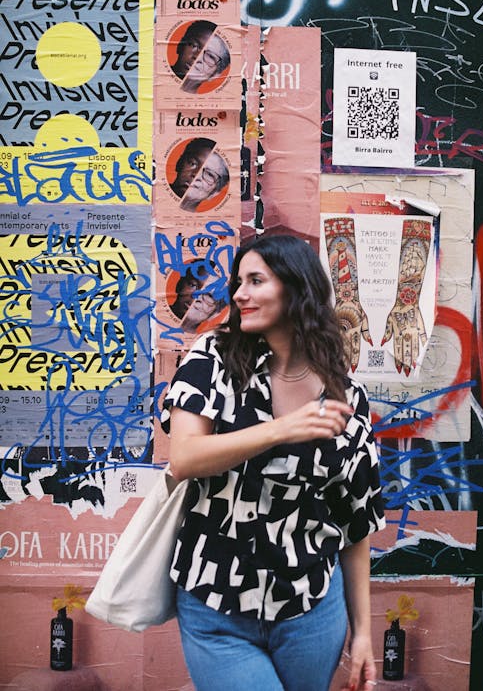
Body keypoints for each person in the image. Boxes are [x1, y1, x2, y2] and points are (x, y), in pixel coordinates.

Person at [162, 235, 385, 691]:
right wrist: (282, 429)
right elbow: (183, 458)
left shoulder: (347, 396)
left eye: (255, 280)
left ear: (296, 289)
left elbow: (355, 522)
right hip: (216, 604)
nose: (239, 293)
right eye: (238, 281)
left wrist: (363, 634)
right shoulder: (214, 360)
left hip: (311, 611)